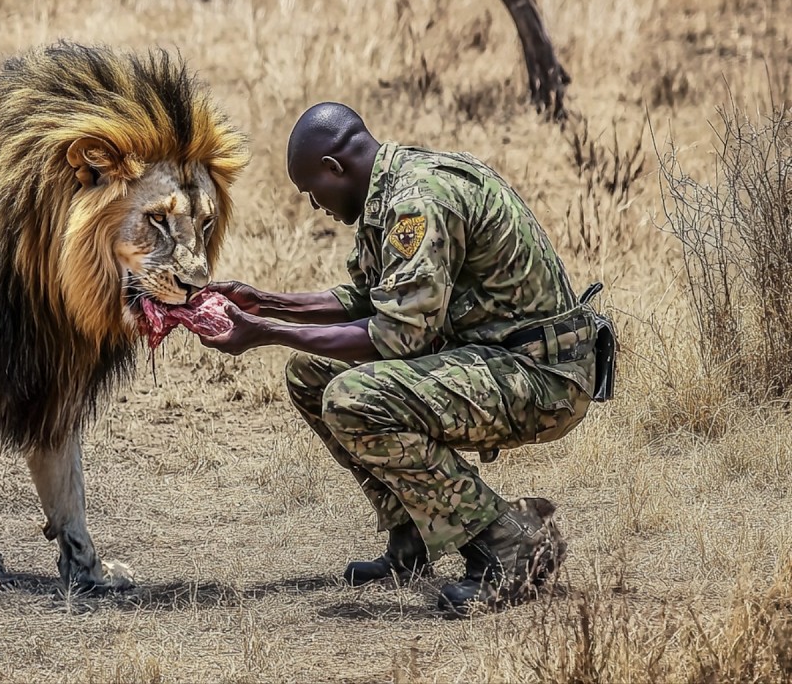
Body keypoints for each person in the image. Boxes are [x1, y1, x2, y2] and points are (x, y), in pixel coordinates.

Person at [197, 102, 612, 617]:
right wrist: (269, 303)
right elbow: (374, 299)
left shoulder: (417, 200)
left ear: (334, 169)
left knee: (355, 397)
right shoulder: (390, 191)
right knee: (310, 374)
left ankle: (506, 544)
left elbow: (399, 335)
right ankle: (411, 536)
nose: (314, 205)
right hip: (499, 358)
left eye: (312, 191)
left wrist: (267, 333)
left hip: (542, 376)